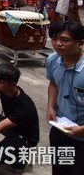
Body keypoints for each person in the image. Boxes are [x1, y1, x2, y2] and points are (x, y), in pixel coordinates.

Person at [46, 21, 84, 175]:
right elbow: (53, 83)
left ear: (80, 42)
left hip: (82, 138)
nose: (58, 44)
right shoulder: (53, 60)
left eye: (65, 40)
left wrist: (82, 130)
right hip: (61, 129)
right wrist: (50, 107)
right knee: (60, 170)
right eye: (54, 39)